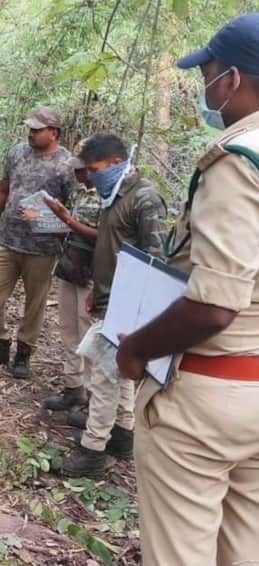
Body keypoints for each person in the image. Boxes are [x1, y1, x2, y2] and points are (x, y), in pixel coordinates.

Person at [116, 13, 259, 565]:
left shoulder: (239, 160)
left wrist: (136, 348)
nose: (206, 86)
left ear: (233, 80)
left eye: (210, 72)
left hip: (207, 397)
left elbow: (216, 303)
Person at [60, 133, 167, 478]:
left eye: (94, 168)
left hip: (130, 304)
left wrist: (139, 312)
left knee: (105, 378)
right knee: (115, 375)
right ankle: (123, 434)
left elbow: (156, 259)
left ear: (117, 163)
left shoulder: (145, 199)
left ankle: (93, 450)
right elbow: (109, 247)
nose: (89, 175)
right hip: (109, 295)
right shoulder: (111, 196)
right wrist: (98, 289)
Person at [0, 107, 75, 379]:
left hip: (42, 248)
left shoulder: (67, 165)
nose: (31, 133)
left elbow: (73, 213)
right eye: (30, 128)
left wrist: (46, 217)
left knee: (35, 303)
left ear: (54, 133)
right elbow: (3, 189)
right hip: (8, 240)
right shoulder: (17, 153)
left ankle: (24, 354)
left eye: (37, 130)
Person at [38, 146, 101, 413]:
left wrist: (67, 221)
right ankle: (73, 388)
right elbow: (70, 231)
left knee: (89, 334)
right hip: (70, 265)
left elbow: (105, 237)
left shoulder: (109, 196)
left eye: (82, 169)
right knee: (68, 330)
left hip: (93, 273)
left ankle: (91, 397)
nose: (78, 174)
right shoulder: (77, 191)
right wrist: (50, 222)